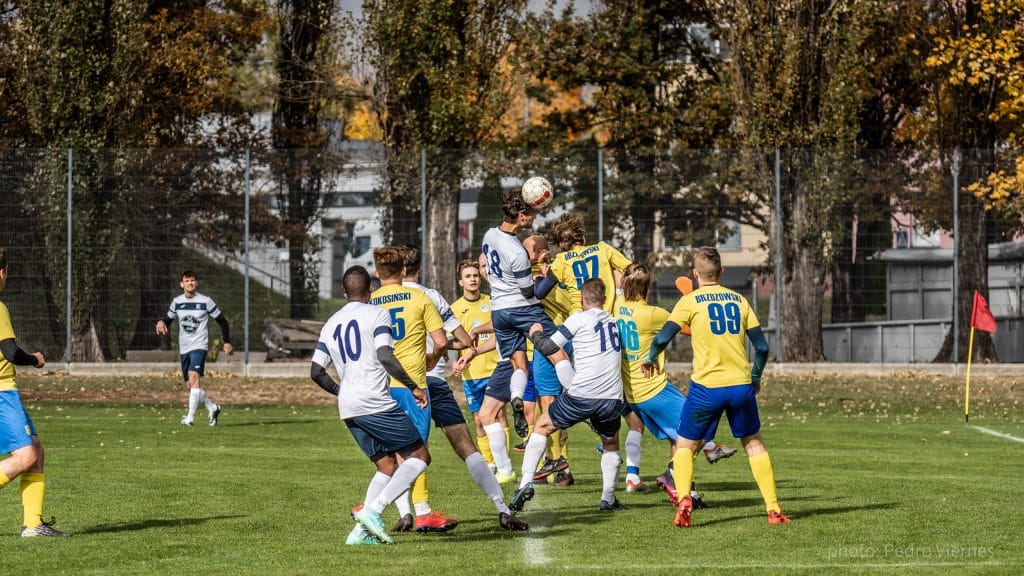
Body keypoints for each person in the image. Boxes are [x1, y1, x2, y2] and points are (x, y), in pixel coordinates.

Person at [643, 247, 790, 527]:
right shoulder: (740, 300)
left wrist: (651, 358)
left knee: (685, 445)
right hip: (740, 386)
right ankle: (773, 509)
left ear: (695, 274)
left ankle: (684, 499)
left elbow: (662, 339)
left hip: (706, 388)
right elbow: (761, 346)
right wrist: (756, 376)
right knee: (754, 444)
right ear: (722, 273)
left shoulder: (691, 302)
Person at [398, 246, 528, 532]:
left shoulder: (378, 300)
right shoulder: (430, 296)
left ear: (399, 270)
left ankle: (411, 512)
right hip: (435, 380)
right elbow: (464, 339)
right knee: (467, 447)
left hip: (402, 385)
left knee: (410, 450)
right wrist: (443, 346)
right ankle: (502, 509)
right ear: (419, 268)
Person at [310, 265, 433, 545]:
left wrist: (342, 391)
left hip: (349, 406)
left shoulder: (330, 323)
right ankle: (374, 512)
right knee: (420, 456)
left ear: (343, 291)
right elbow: (385, 356)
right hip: (375, 401)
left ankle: (360, 534)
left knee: (387, 465)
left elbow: (315, 372)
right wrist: (413, 385)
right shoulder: (377, 313)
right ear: (371, 290)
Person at [614, 263, 734, 504]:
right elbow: (689, 327)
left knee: (677, 439)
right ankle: (673, 475)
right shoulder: (653, 314)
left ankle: (686, 493)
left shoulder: (617, 307)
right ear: (648, 286)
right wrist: (691, 297)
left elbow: (618, 279)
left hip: (632, 391)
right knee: (697, 431)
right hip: (653, 389)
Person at [510, 278, 627, 513]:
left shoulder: (579, 318)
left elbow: (549, 347)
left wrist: (535, 334)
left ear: (582, 300)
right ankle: (608, 499)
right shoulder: (614, 322)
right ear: (604, 300)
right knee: (611, 443)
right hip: (613, 397)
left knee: (542, 426)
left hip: (582, 394)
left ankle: (525, 484)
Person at [479, 190, 573, 466]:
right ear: (521, 216)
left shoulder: (488, 235)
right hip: (522, 309)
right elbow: (530, 291)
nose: (534, 217)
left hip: (498, 311)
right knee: (557, 353)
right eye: (531, 213)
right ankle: (582, 398)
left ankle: (517, 398)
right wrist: (551, 276)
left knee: (520, 366)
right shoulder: (518, 252)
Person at [367, 246, 453, 532]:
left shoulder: (369, 302)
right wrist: (433, 359)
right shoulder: (420, 296)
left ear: (377, 273)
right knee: (416, 454)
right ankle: (399, 509)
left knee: (392, 455)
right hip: (413, 387)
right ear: (404, 270)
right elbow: (441, 342)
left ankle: (405, 512)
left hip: (380, 388)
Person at [0, 248, 70, 538]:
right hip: (2, 393)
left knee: (36, 449)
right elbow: (11, 352)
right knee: (27, 455)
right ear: (2, 273)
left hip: (6, 392)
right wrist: (35, 360)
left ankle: (33, 524)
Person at [522, 235, 576, 486]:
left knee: (558, 402)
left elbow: (566, 304)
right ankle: (548, 461)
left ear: (542, 252)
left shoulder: (559, 270)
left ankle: (561, 464)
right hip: (539, 341)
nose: (522, 255)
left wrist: (546, 278)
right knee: (546, 403)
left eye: (527, 251)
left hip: (560, 337)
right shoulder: (522, 272)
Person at [449, 259, 511, 473]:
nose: (473, 279)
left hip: (496, 368)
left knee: (499, 414)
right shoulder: (455, 309)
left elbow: (502, 326)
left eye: (476, 275)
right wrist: (455, 359)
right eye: (468, 276)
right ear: (461, 282)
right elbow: (452, 340)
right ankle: (490, 463)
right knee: (478, 420)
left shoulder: (492, 302)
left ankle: (504, 461)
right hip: (472, 373)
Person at [156, 270, 233, 427]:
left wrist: (226, 341)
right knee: (191, 386)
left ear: (196, 283)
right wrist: (161, 322)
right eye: (187, 280)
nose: (190, 283)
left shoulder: (206, 301)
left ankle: (189, 419)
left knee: (194, 377)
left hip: (199, 345)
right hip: (184, 348)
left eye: (192, 280)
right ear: (182, 284)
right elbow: (168, 320)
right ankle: (213, 407)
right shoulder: (177, 302)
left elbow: (222, 321)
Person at [548, 214, 631, 314]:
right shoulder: (603, 249)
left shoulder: (561, 260)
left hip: (578, 318)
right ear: (583, 238)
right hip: (605, 316)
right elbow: (632, 270)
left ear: (561, 246)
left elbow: (540, 292)